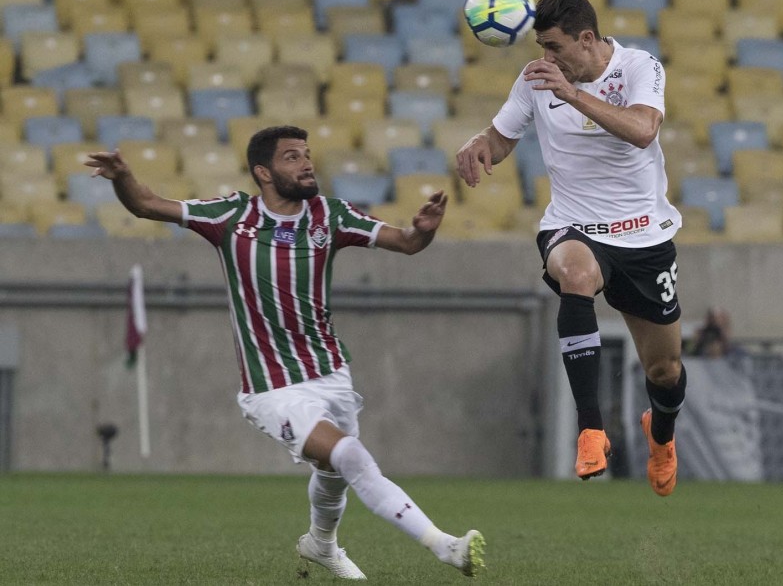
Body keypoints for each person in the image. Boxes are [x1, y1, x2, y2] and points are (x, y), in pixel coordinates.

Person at [85, 125, 485, 580]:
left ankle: (321, 544)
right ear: (264, 172)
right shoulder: (231, 216)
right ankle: (444, 545)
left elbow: (407, 243)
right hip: (272, 385)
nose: (307, 163)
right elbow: (146, 205)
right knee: (350, 456)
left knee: (334, 472)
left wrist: (423, 231)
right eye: (292, 157)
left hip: (332, 373)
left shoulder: (329, 215)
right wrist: (121, 176)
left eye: (308, 154)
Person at [456, 0, 686, 497]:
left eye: (554, 47)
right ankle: (591, 430)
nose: (545, 58)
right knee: (576, 274)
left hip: (643, 235)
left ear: (587, 39)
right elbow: (501, 138)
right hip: (574, 226)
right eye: (540, 47)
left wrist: (573, 94)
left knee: (666, 371)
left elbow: (644, 130)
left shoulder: (637, 66)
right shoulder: (537, 79)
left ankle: (662, 436)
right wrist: (479, 146)